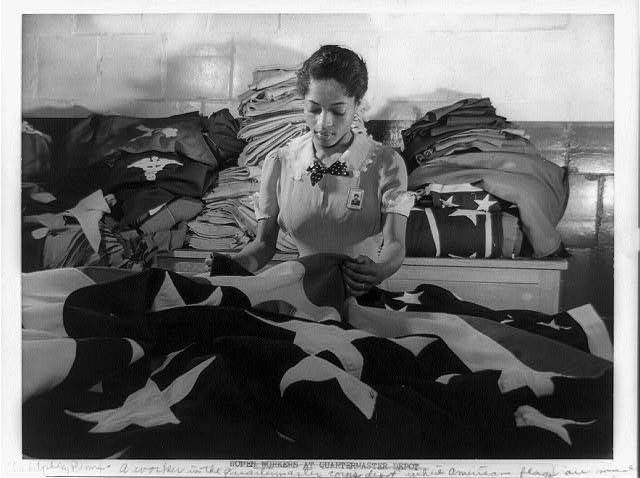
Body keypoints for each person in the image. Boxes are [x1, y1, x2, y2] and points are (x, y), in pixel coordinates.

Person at [232, 44, 414, 296]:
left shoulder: (385, 163)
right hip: (304, 298)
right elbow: (263, 245)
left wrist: (379, 269)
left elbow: (396, 244)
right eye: (314, 109)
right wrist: (231, 265)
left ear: (357, 104)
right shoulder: (281, 163)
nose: (323, 123)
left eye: (338, 111)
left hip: (362, 297)